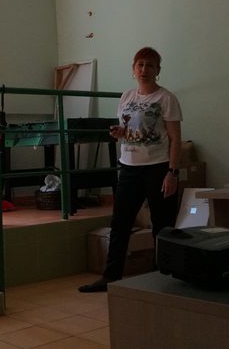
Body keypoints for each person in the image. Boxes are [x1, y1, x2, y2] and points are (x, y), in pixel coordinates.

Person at [79, 47, 182, 293]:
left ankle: (163, 278)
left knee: (163, 225)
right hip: (129, 168)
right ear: (133, 69)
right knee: (120, 223)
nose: (144, 69)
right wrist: (119, 133)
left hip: (158, 168)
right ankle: (110, 276)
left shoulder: (166, 98)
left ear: (158, 70)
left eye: (150, 65)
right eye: (140, 65)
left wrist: (172, 173)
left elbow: (175, 139)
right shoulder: (127, 97)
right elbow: (128, 132)